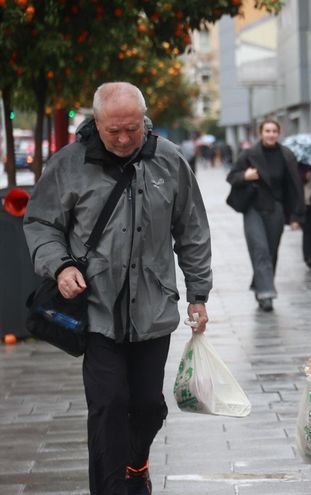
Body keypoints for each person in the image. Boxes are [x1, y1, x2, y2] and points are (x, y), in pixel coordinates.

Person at [23, 81, 212, 495]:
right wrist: (59, 267)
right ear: (97, 122)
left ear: (144, 120)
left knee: (147, 406)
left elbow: (192, 230)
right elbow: (41, 224)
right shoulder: (68, 165)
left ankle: (136, 463)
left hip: (153, 309)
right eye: (114, 131)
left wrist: (198, 294)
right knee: (108, 407)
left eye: (133, 129)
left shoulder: (171, 161)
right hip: (97, 311)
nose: (125, 139)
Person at [226, 119, 304, 311]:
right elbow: (232, 177)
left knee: (271, 252)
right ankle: (266, 293)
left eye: (274, 131)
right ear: (261, 133)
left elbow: (295, 187)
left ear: (279, 133)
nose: (270, 134)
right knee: (259, 249)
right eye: (267, 131)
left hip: (275, 209)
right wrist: (245, 176)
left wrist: (296, 216)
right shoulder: (249, 154)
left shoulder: (286, 155)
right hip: (253, 208)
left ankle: (260, 286)